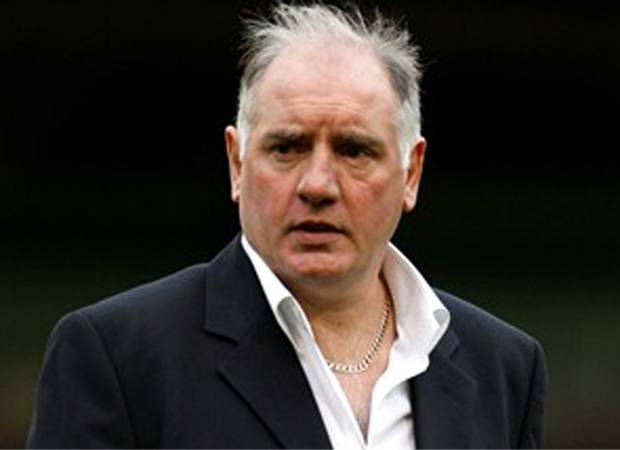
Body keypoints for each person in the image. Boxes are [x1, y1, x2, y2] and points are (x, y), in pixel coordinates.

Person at [27, 2, 548, 449]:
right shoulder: (118, 357)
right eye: (287, 147)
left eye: (354, 150)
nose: (317, 184)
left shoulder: (504, 367)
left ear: (410, 174)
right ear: (237, 163)